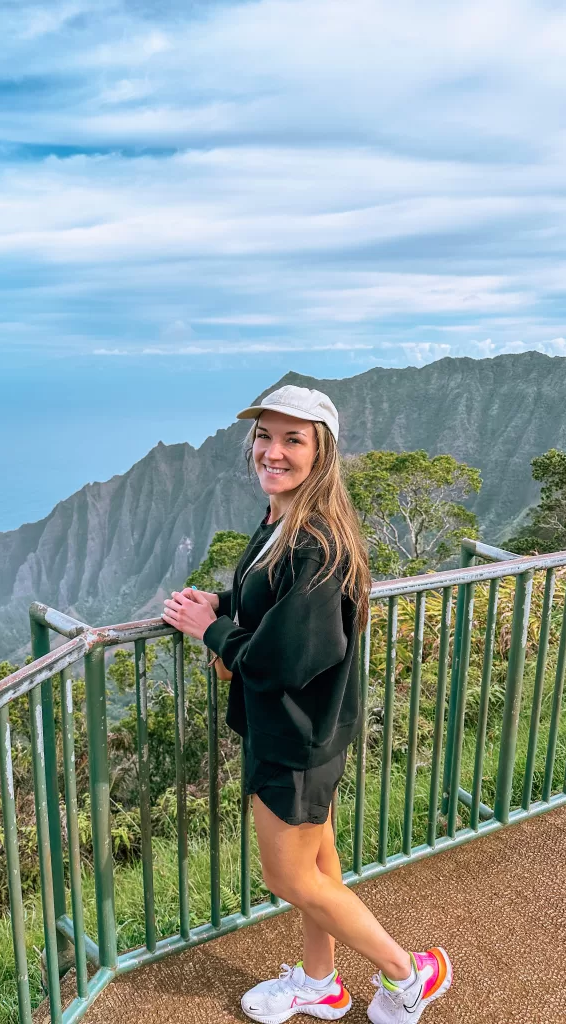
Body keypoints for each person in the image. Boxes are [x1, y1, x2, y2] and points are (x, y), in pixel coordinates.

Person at [161, 385, 452, 1024]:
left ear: (322, 452)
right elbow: (271, 608)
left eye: (294, 439)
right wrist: (222, 607)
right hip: (299, 730)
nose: (273, 451)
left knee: (290, 878)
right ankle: (322, 984)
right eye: (265, 436)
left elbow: (283, 660)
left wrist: (207, 631)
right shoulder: (282, 522)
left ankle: (410, 973)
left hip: (297, 739)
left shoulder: (315, 542)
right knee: (318, 865)